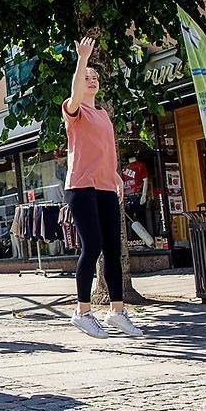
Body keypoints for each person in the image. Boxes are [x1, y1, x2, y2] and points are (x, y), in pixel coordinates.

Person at [63, 37, 143, 338]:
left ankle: (117, 312)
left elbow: (106, 149)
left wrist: (117, 176)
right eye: (86, 78)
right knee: (92, 246)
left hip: (107, 185)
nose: (91, 81)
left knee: (113, 248)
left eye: (95, 78)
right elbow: (74, 93)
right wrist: (82, 59)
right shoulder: (74, 110)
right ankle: (82, 312)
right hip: (81, 187)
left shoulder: (103, 115)